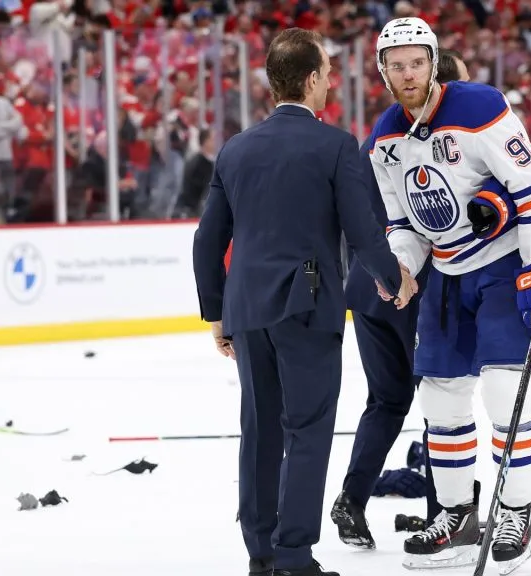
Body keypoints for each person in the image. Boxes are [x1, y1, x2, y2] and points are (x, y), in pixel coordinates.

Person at [191, 28, 416, 576]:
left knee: (260, 429)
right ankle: (294, 556)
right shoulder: (335, 145)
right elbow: (363, 232)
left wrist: (217, 313)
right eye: (328, 71)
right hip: (306, 306)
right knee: (308, 430)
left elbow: (206, 240)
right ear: (312, 78)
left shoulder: (236, 148)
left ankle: (261, 552)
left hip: (247, 311)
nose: (332, 80)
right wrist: (394, 280)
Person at [369, 17, 531, 573]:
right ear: (382, 71)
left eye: (415, 61)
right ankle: (457, 514)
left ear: (433, 62)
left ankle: (515, 512)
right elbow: (402, 222)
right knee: (442, 401)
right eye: (396, 64)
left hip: (504, 268)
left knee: (507, 398)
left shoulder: (479, 107)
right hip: (449, 275)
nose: (407, 74)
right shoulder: (385, 138)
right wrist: (405, 266)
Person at [330, 47, 487, 550]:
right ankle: (444, 514)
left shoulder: (381, 132)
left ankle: (351, 501)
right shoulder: (424, 140)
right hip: (410, 288)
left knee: (386, 400)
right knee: (440, 402)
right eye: (456, 87)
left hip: (367, 287)